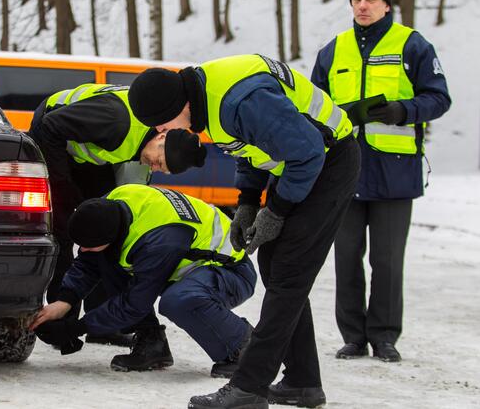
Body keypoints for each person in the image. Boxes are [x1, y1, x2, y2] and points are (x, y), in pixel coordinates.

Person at [127, 55, 360, 408]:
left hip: (328, 161)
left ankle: (248, 388)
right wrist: (248, 202)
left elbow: (308, 152)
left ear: (180, 105)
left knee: (289, 273)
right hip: (301, 163)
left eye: (160, 124)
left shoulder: (242, 99)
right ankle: (302, 381)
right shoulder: (207, 99)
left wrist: (277, 210)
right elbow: (247, 149)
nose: (161, 133)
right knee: (275, 266)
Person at [310, 0, 451, 363]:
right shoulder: (333, 50)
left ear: (387, 5)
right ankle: (353, 337)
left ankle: (385, 336)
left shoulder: (412, 45)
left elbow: (439, 98)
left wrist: (403, 111)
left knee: (387, 261)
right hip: (343, 172)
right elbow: (313, 105)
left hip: (395, 173)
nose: (363, 6)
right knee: (346, 256)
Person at [28, 83, 206, 347]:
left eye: (162, 169)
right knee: (64, 230)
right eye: (159, 161)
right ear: (160, 137)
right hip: (53, 138)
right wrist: (62, 188)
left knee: (108, 228)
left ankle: (104, 324)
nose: (156, 167)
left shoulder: (143, 146)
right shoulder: (116, 120)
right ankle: (58, 322)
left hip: (87, 156)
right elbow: (50, 127)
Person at [29, 183, 257, 376]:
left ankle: (242, 347)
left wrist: (75, 327)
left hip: (230, 271)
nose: (84, 249)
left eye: (88, 245)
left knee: (177, 300)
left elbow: (134, 304)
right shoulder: (114, 203)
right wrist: (65, 301)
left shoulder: (158, 241)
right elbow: (91, 259)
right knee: (109, 259)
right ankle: (152, 343)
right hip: (187, 264)